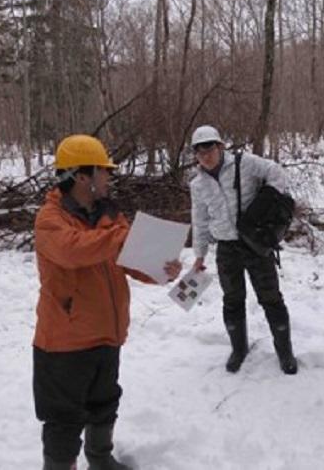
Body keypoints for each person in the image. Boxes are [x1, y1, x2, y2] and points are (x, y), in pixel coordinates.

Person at [33, 135, 181, 470]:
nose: (109, 177)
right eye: (103, 171)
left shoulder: (110, 215)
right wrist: (122, 237)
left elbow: (129, 258)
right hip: (65, 342)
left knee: (104, 402)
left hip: (107, 332)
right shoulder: (49, 218)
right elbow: (74, 250)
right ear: (82, 176)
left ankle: (100, 459)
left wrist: (162, 269)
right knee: (63, 420)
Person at [189, 125, 298, 375]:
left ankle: (285, 352)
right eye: (199, 151)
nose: (205, 155)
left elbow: (277, 173)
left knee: (271, 298)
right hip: (226, 248)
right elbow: (200, 220)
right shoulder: (198, 185)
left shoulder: (245, 163)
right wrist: (199, 255)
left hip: (255, 244)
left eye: (210, 148)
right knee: (232, 300)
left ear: (220, 147)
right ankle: (239, 349)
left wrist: (264, 202)